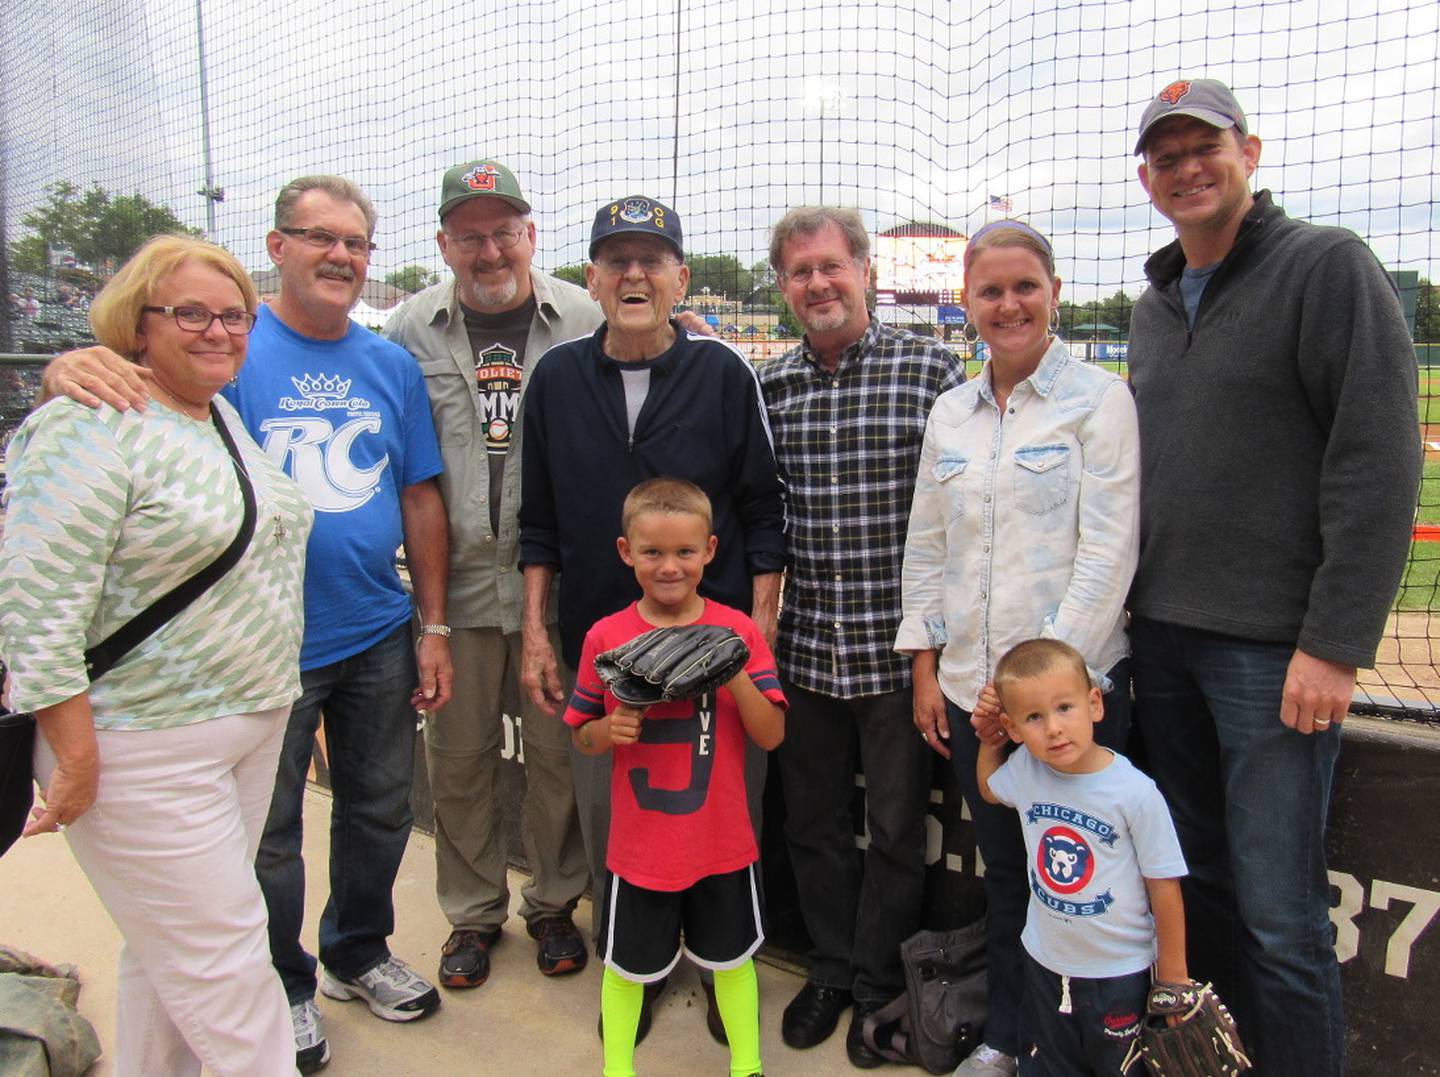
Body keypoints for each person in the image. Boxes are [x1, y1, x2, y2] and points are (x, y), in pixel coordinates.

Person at [40, 174, 454, 1074]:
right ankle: (286, 982)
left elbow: (418, 493)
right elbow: (126, 391)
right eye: (319, 237)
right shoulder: (229, 349)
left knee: (379, 809)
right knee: (261, 846)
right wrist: (67, 365)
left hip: (375, 628)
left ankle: (356, 950)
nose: (339, 255)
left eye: (355, 242)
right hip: (257, 658)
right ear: (277, 246)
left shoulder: (385, 364)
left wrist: (434, 623)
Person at [1127, 78, 1421, 1075]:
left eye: (1203, 147)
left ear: (1250, 150)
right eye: (1166, 157)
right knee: (1200, 887)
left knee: (1281, 917)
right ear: (1147, 179)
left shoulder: (1325, 265)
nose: (1187, 169)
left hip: (1270, 655)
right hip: (1161, 641)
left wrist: (1335, 645)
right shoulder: (1153, 303)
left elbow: (1379, 461)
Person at [0, 235, 314, 1076]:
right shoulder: (86, 421)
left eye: (234, 315)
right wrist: (70, 753)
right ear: (136, 324)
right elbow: (35, 606)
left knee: (169, 955)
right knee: (232, 972)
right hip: (141, 743)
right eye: (189, 313)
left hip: (243, 727)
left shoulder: (218, 415)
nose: (218, 331)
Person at [519, 194, 785, 1039]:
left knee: (719, 825)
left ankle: (718, 969)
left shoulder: (723, 372)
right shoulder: (556, 376)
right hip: (605, 652)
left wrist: (762, 629)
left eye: (652, 259)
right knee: (617, 826)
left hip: (716, 660)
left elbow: (765, 514)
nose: (634, 273)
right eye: (616, 258)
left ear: (681, 277)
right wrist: (534, 628)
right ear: (591, 278)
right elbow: (539, 523)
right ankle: (632, 972)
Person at [895, 220, 1139, 1076]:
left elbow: (1108, 556)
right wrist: (927, 665)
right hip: (969, 697)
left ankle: (1083, 1050)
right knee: (1008, 880)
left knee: (1081, 887)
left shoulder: (1100, 401)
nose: (1008, 304)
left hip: (1069, 707)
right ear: (966, 302)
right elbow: (927, 550)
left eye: (1024, 286)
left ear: (1055, 292)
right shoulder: (949, 414)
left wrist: (1033, 695)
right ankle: (1007, 1037)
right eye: (990, 290)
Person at [383, 159, 599, 989]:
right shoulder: (408, 328)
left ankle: (552, 902)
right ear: (444, 243)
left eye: (503, 231)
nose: (488, 249)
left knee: (555, 755)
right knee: (459, 757)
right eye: (469, 235)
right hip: (457, 588)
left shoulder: (580, 315)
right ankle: (471, 915)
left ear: (530, 234)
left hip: (555, 587)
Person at [757, 206, 963, 1068]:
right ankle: (833, 969)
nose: (818, 284)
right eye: (800, 272)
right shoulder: (768, 389)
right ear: (783, 287)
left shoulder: (932, 370)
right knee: (810, 824)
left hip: (897, 653)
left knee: (892, 828)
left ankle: (879, 981)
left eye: (832, 267)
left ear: (866, 272)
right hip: (803, 651)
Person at [564, 478, 786, 1077]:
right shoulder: (605, 637)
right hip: (639, 850)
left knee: (734, 962)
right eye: (652, 552)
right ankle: (617, 1069)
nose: (669, 567)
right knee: (626, 969)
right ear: (625, 551)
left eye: (685, 552)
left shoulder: (737, 629)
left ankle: (747, 1065)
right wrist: (608, 731)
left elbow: (771, 735)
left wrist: (732, 667)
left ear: (710, 550)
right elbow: (580, 734)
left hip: (722, 843)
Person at [976, 639, 1188, 1075]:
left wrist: (1173, 977)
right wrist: (986, 742)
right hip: (1044, 964)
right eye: (1034, 717)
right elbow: (988, 788)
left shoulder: (1134, 793)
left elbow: (1164, 885)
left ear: (1095, 704)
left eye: (1064, 708)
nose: (1053, 728)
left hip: (1120, 974)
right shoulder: (1026, 771)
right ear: (1013, 728)